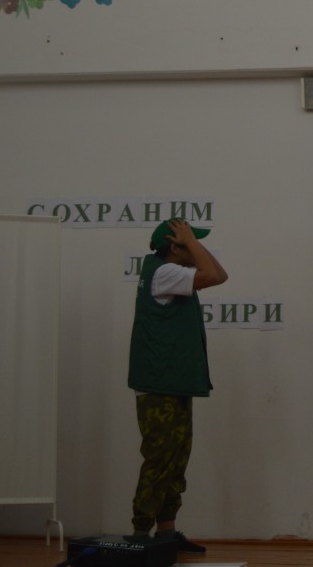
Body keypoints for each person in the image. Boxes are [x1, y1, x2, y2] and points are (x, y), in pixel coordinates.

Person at [128, 219, 228, 553]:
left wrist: (191, 243)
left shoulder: (170, 271)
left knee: (176, 459)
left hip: (172, 382)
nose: (197, 246)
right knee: (160, 459)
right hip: (160, 384)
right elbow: (212, 275)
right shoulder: (165, 273)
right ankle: (140, 534)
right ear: (174, 247)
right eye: (189, 241)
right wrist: (189, 245)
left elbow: (220, 274)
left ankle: (166, 532)